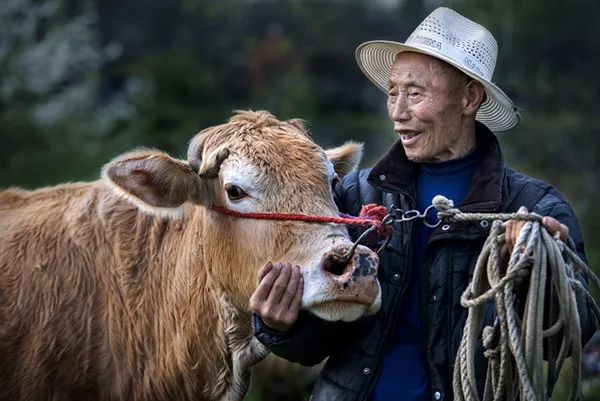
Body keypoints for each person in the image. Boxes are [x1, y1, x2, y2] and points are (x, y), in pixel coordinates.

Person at [250, 7, 594, 401]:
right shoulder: (357, 197)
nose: (398, 113)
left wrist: (541, 274)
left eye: (415, 94)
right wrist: (280, 326)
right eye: (392, 93)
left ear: (469, 97)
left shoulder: (533, 208)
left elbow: (566, 340)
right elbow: (317, 345)